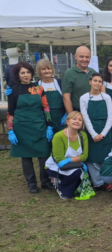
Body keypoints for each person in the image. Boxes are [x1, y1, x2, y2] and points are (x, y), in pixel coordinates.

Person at [7, 62, 54, 193]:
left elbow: (46, 108)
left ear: (31, 73)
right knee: (26, 157)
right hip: (21, 127)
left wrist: (49, 126)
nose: (26, 75)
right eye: (23, 73)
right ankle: (31, 183)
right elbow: (10, 112)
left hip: (39, 125)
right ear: (18, 75)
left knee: (43, 155)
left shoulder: (39, 89)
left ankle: (45, 181)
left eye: (28, 72)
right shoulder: (13, 90)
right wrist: (10, 131)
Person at [45, 111, 92, 200]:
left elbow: (85, 156)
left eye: (80, 120)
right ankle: (61, 188)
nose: (77, 121)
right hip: (56, 166)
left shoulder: (83, 135)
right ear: (67, 121)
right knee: (78, 172)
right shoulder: (58, 136)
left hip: (74, 165)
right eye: (74, 119)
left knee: (79, 172)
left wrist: (70, 160)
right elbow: (60, 159)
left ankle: (66, 185)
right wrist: (78, 161)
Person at [80, 73, 112, 191]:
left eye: (100, 81)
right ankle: (98, 182)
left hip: (105, 130)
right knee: (93, 158)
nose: (97, 83)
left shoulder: (107, 97)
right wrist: (94, 134)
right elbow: (85, 117)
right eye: (95, 81)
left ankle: (107, 180)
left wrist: (103, 133)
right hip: (91, 130)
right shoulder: (84, 98)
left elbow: (110, 117)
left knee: (105, 156)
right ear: (90, 82)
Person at [61, 46, 96, 113]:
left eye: (87, 57)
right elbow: (66, 98)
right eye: (81, 56)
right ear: (75, 56)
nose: (84, 59)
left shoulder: (93, 72)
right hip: (78, 114)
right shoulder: (69, 74)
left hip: (93, 112)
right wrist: (72, 116)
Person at [36, 59, 66, 133]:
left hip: (61, 118)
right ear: (39, 71)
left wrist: (67, 114)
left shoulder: (60, 83)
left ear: (52, 69)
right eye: (43, 69)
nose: (47, 71)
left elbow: (68, 98)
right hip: (44, 119)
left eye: (49, 68)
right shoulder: (36, 85)